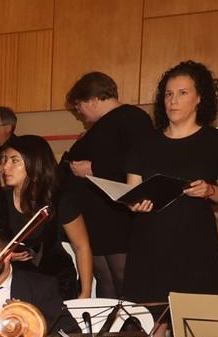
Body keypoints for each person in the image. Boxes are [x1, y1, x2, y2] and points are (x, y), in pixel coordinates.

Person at [126, 60, 218, 337]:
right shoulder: (144, 143)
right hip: (151, 241)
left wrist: (208, 191)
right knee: (153, 327)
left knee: (187, 329)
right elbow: (131, 193)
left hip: (193, 243)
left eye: (182, 93)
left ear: (199, 99)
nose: (172, 101)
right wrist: (137, 204)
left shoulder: (216, 142)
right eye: (168, 94)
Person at [60, 73, 153, 296]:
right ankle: (110, 330)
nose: (79, 112)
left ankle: (130, 329)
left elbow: (142, 160)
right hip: (98, 217)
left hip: (117, 217)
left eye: (79, 106)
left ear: (92, 100)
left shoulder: (131, 117)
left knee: (122, 279)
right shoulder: (100, 126)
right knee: (105, 279)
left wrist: (93, 168)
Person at [0, 133, 91, 299]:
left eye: (14, 160)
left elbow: (81, 247)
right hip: (13, 282)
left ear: (35, 163)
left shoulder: (60, 199)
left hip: (55, 282)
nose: (5, 167)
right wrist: (3, 254)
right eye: (4, 160)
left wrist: (85, 293)